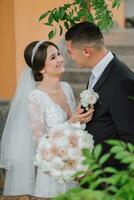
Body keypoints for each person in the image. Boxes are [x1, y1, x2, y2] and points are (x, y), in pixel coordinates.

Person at [0, 40, 94, 198]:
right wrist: (72, 122)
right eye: (53, 57)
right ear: (41, 68)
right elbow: (41, 143)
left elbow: (73, 128)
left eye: (58, 54)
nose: (60, 59)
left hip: (73, 165)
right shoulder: (35, 98)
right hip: (53, 172)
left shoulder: (66, 87)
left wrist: (81, 119)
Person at [65, 21, 134, 169]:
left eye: (70, 52)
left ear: (86, 51)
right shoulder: (99, 72)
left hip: (111, 176)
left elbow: (130, 137)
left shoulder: (121, 81)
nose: (69, 57)